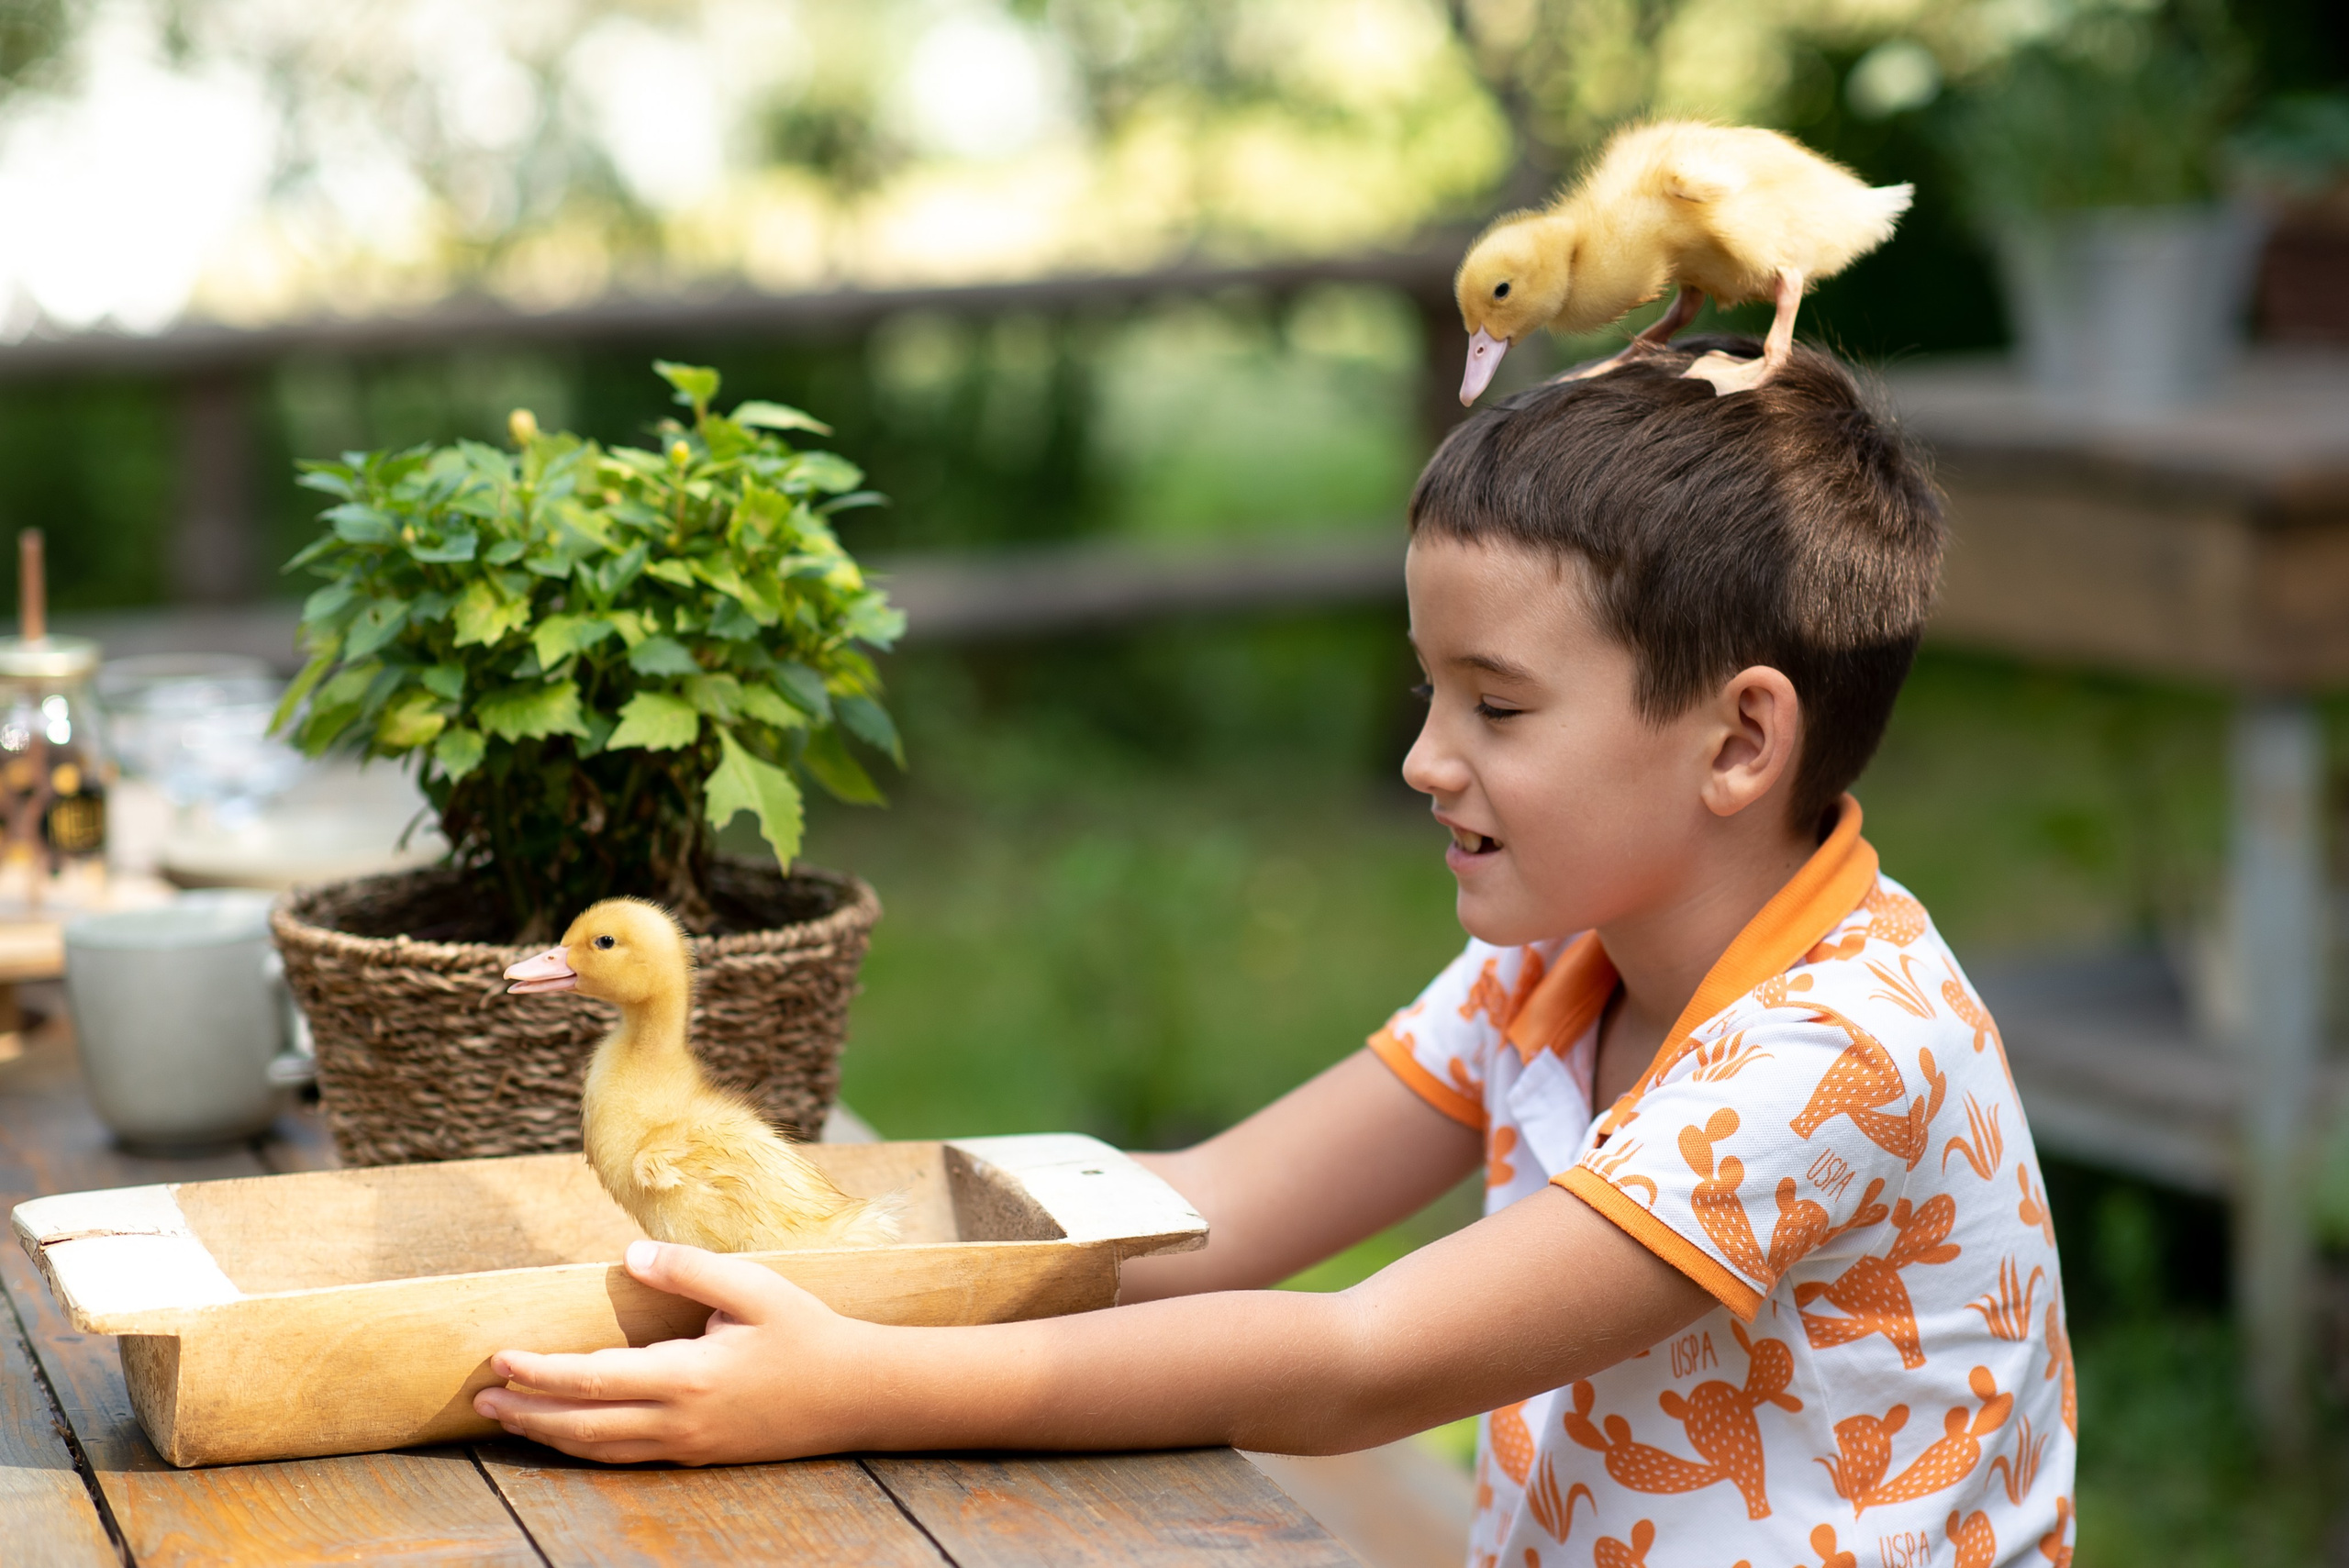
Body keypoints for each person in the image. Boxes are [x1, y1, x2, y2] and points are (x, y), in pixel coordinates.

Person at [476, 337, 2076, 1567]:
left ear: (1740, 740)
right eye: (1427, 690)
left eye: (1497, 706)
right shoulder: (1557, 967)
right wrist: (842, 1260)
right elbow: (1212, 1207)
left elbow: (1362, 1358)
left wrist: (862, 1380)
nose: (1425, 759)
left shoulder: (1840, 1052)